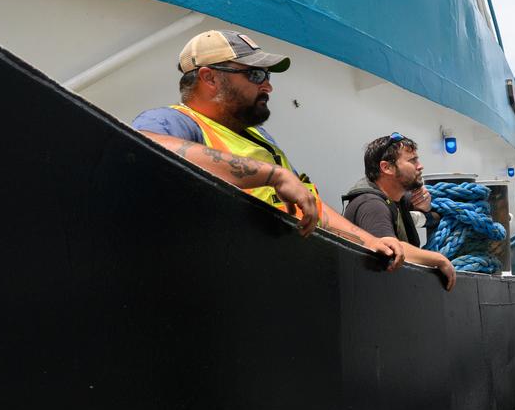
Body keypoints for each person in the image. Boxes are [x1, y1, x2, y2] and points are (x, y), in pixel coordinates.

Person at [132, 29, 404, 269]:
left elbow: (310, 206)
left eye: (267, 75)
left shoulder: (260, 138)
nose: (268, 85)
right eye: (255, 74)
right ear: (209, 78)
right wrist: (272, 175)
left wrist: (370, 241)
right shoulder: (173, 122)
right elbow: (145, 147)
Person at [342, 134, 457, 291]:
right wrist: (439, 260)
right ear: (387, 168)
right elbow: (389, 248)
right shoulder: (372, 205)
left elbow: (433, 210)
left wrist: (426, 206)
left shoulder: (397, 197)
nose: (420, 166)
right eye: (412, 161)